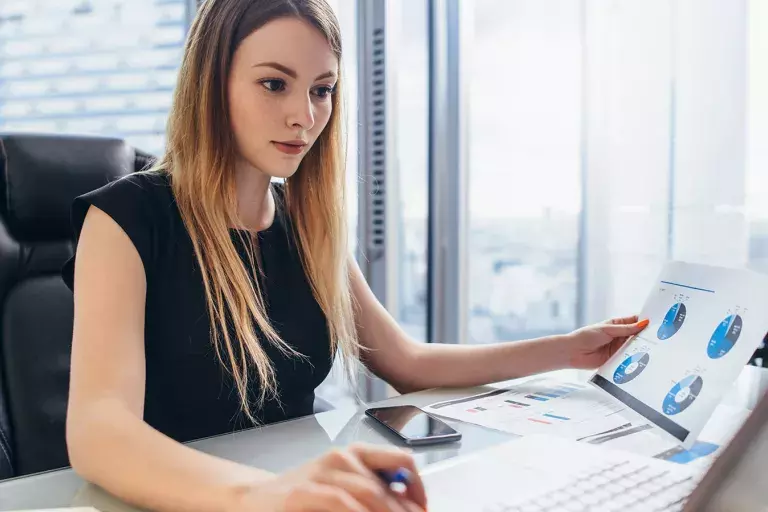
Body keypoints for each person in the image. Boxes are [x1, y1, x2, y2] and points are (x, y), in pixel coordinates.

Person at [62, 0, 650, 511]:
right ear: (211, 84)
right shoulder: (125, 219)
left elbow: (406, 361)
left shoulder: (305, 224)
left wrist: (568, 350)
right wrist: (262, 498)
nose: (305, 115)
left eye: (322, 90)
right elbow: (99, 429)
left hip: (297, 492)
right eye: (274, 84)